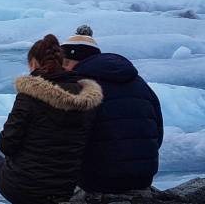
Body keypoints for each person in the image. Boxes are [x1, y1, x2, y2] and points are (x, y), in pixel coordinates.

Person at [0, 34, 103, 204]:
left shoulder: (29, 95)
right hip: (65, 188)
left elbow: (6, 144)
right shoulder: (87, 97)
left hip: (25, 188)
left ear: (34, 63)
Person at [61, 25, 164, 193]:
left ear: (73, 60)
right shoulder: (140, 82)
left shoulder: (80, 86)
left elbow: (68, 139)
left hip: (98, 180)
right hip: (144, 177)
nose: (62, 68)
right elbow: (158, 131)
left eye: (64, 62)